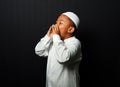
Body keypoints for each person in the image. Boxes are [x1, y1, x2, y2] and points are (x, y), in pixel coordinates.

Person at [35, 11, 82, 87]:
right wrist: (48, 37)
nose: (55, 25)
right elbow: (39, 51)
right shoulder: (55, 41)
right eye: (56, 22)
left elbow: (63, 58)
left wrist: (56, 37)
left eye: (61, 23)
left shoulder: (75, 43)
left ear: (70, 29)